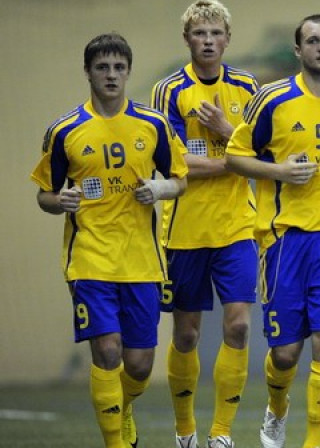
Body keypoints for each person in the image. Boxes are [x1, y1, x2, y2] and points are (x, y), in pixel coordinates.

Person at [224, 14, 320, 448]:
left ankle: (312, 443)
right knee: (285, 353)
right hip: (283, 238)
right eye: (312, 40)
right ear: (298, 50)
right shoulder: (272, 100)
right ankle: (277, 408)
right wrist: (278, 171)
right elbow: (235, 158)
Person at [31, 33, 188, 448]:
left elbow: (180, 181)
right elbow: (44, 194)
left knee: (137, 366)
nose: (112, 75)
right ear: (88, 72)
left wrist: (159, 190)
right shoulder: (65, 130)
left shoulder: (152, 125)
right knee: (107, 351)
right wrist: (58, 200)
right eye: (103, 67)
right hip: (90, 259)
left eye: (119, 67)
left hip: (141, 261)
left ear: (128, 71)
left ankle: (125, 406)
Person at [150, 2, 260, 448]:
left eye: (216, 32)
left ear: (228, 39)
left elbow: (262, 156)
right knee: (187, 333)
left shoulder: (249, 87)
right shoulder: (169, 90)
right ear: (188, 40)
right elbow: (175, 165)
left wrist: (227, 130)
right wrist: (232, 158)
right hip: (184, 230)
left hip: (238, 227)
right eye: (200, 33)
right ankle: (184, 431)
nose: (209, 40)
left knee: (238, 327)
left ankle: (221, 434)